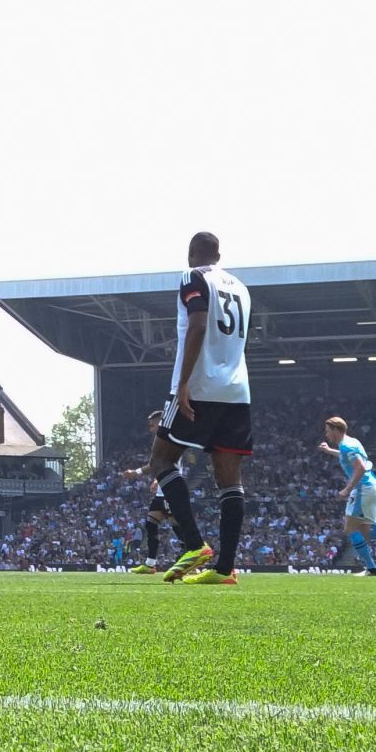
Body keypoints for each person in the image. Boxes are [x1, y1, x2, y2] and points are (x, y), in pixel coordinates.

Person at [146, 231, 252, 585]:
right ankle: (225, 569)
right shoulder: (240, 287)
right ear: (219, 254)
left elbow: (198, 325)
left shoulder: (193, 277)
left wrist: (184, 383)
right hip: (237, 390)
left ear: (192, 254)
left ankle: (194, 544)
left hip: (200, 385)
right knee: (229, 479)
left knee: (161, 459)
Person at [316, 416, 376, 575]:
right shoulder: (352, 442)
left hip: (362, 489)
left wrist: (347, 489)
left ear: (336, 430)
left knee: (350, 529)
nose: (327, 434)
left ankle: (372, 569)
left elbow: (360, 467)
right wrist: (329, 451)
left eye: (328, 430)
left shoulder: (346, 446)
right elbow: (349, 458)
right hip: (372, 487)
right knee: (365, 533)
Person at [120, 411, 179, 574]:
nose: (151, 429)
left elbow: (158, 464)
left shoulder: (170, 439)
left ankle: (192, 560)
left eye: (153, 425)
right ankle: (150, 564)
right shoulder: (163, 439)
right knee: (151, 525)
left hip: (172, 490)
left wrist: (136, 472)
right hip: (162, 491)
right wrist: (157, 480)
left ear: (162, 423)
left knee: (179, 529)